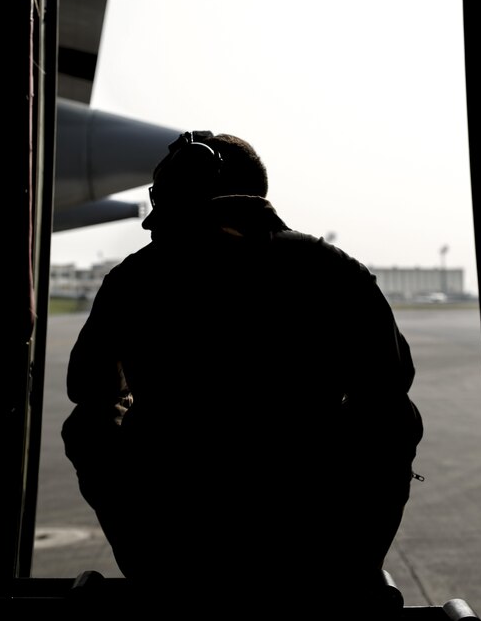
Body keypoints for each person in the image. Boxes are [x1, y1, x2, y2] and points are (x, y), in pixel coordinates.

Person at [62, 130, 423, 609]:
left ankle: (158, 571)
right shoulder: (334, 270)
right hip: (319, 552)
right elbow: (388, 390)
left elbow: (86, 388)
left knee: (89, 422)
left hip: (175, 553)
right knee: (392, 414)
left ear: (190, 183)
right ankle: (347, 569)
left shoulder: (134, 278)